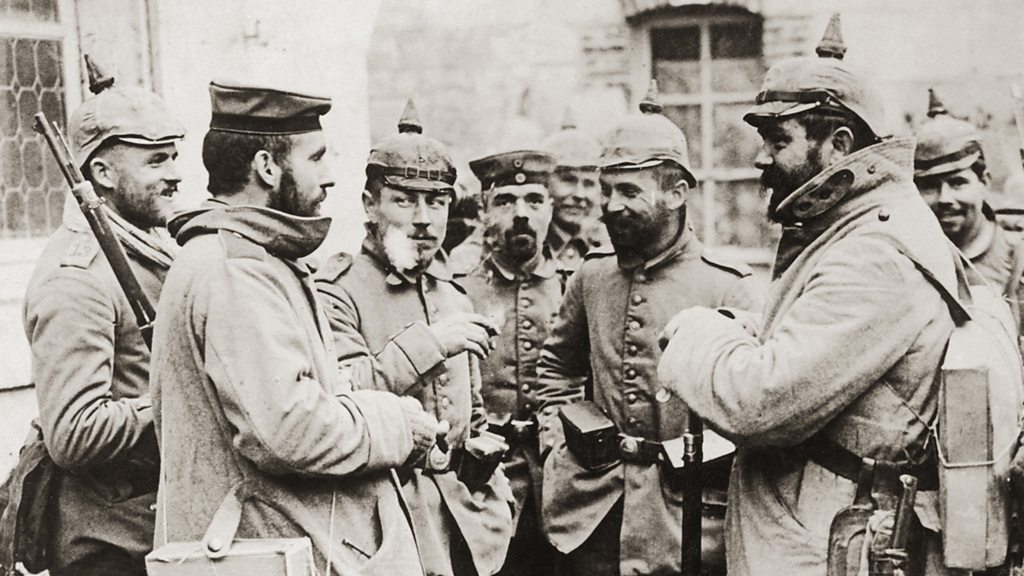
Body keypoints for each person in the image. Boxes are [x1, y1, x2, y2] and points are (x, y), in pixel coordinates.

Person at [657, 14, 958, 576]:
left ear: (839, 144)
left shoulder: (873, 254)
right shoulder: (860, 227)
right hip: (819, 525)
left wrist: (696, 333)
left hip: (821, 542)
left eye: (779, 140)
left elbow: (760, 402)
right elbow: (815, 342)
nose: (761, 158)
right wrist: (740, 328)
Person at [150, 81, 437, 576]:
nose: (329, 177)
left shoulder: (255, 259)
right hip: (264, 553)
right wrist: (397, 424)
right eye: (316, 158)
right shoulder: (236, 271)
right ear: (267, 166)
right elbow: (290, 429)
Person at [533, 82, 761, 576]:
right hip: (592, 513)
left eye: (629, 191)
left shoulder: (729, 286)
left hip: (689, 520)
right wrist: (558, 440)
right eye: (607, 190)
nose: (610, 205)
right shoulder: (592, 276)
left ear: (677, 193)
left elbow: (753, 409)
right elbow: (555, 367)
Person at [315, 100, 514, 576]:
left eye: (437, 201)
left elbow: (474, 418)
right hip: (383, 527)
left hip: (466, 526)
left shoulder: (453, 295)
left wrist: (497, 498)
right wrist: (430, 344)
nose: (423, 218)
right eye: (404, 200)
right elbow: (338, 399)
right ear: (370, 205)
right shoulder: (336, 291)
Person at [21, 57, 183, 576]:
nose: (175, 175)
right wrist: (183, 400)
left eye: (173, 157)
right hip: (109, 544)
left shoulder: (150, 246)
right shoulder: (78, 279)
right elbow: (74, 432)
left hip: (157, 523)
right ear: (102, 174)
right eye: (156, 162)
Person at [457, 149, 566, 576]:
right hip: (484, 481)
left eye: (534, 201)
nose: (522, 214)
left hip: (558, 482)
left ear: (550, 209)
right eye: (505, 201)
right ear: (484, 211)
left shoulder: (573, 287)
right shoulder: (458, 291)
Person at [914, 88, 1024, 334]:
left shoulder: (1016, 255)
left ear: (984, 182)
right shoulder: (908, 260)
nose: (944, 199)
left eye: (957, 183)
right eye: (929, 186)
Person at [540, 108, 610, 272]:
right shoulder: (529, 247)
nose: (580, 194)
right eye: (568, 181)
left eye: (589, 183)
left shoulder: (607, 247)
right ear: (544, 184)